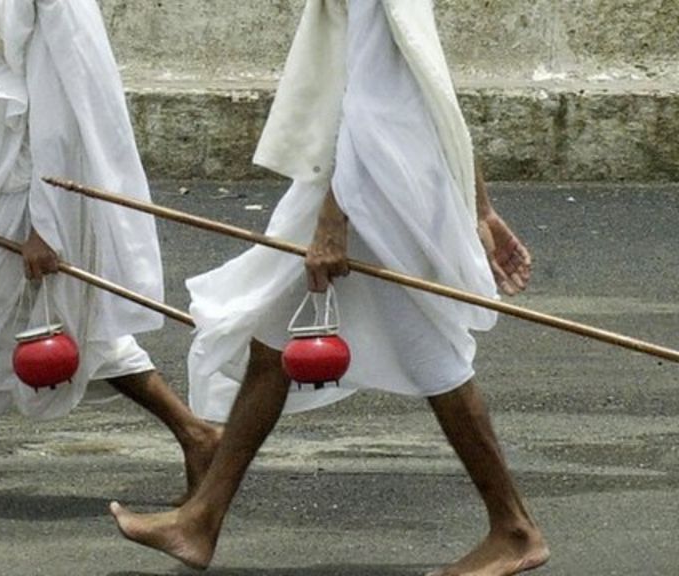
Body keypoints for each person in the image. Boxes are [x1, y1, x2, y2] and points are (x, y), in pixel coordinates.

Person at [109, 1, 549, 574]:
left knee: (434, 356)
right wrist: (478, 204)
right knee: (273, 343)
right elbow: (424, 71)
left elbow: (376, 97)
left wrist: (334, 218)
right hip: (359, 174)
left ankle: (514, 528)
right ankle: (201, 520)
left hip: (374, 187)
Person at [0, 0, 219, 509]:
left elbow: (59, 114)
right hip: (21, 184)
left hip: (31, 190)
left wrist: (46, 227)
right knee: (79, 331)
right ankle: (196, 435)